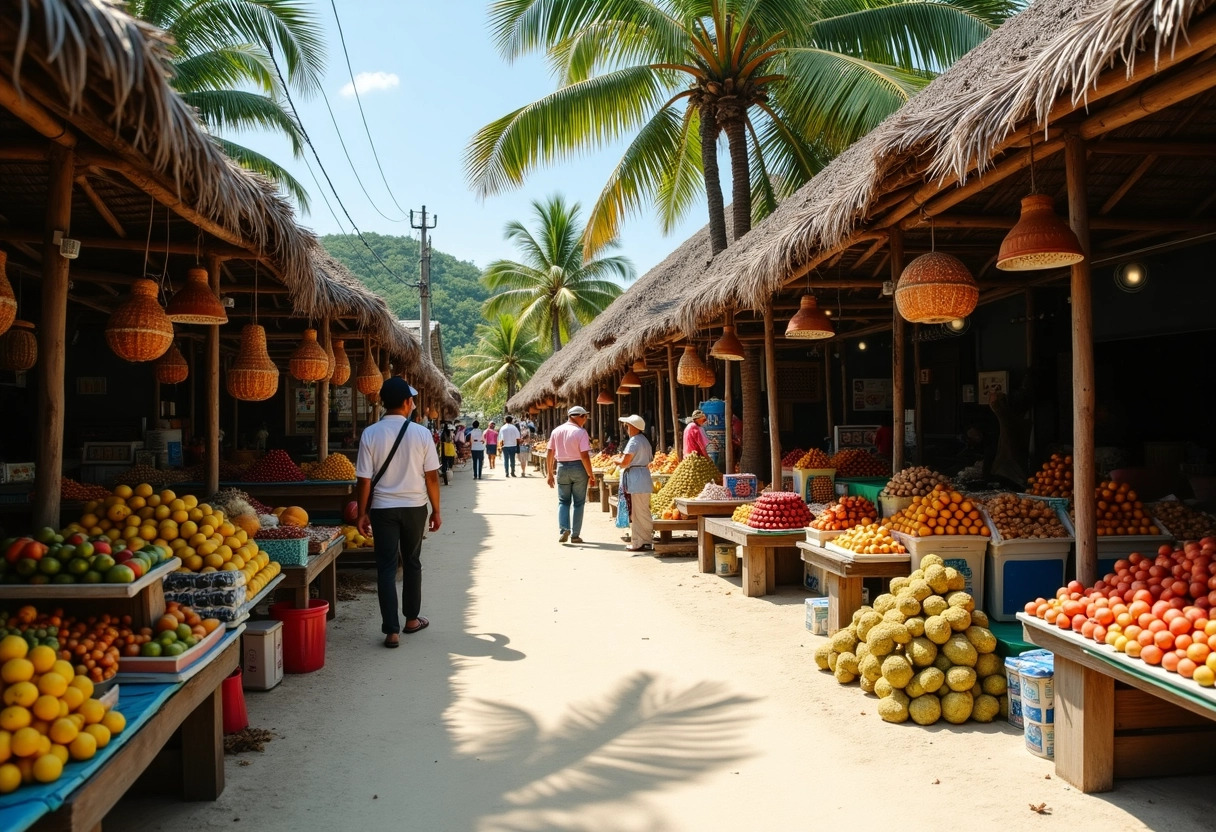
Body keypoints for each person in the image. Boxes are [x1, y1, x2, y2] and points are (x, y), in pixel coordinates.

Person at [354, 377, 441, 649]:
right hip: (415, 507)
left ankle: (391, 631)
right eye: (412, 400)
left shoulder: (370, 433)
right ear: (406, 402)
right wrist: (436, 510)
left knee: (387, 568)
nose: (413, 404)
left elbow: (364, 480)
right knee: (412, 562)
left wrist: (361, 512)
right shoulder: (421, 433)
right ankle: (412, 620)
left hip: (382, 509)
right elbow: (432, 478)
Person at [547, 405, 595, 543]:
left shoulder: (556, 431)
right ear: (579, 417)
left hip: (561, 467)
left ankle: (564, 528)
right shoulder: (581, 432)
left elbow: (550, 452)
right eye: (585, 417)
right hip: (579, 467)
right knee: (579, 503)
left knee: (563, 501)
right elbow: (584, 456)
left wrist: (550, 473)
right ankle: (575, 535)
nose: (585, 420)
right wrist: (590, 475)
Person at [615, 415, 654, 552]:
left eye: (627, 426)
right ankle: (645, 540)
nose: (626, 428)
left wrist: (617, 461)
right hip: (643, 477)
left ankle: (639, 542)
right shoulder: (644, 441)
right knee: (642, 511)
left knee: (638, 513)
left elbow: (625, 462)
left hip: (636, 479)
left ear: (633, 427)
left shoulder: (634, 441)